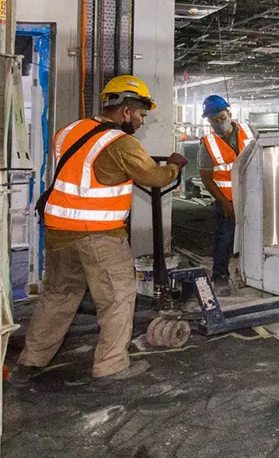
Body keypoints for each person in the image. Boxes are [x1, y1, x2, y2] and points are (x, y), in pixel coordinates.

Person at [12, 76, 187, 382]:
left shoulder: (68, 132)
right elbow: (156, 178)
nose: (142, 121)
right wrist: (173, 165)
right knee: (118, 297)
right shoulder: (120, 142)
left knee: (58, 296)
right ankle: (111, 366)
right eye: (141, 114)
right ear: (125, 111)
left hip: (57, 232)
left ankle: (31, 360)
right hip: (99, 235)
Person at [197, 95, 255, 296]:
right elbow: (206, 178)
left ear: (229, 114)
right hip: (227, 200)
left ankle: (253, 273)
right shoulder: (208, 144)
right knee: (226, 237)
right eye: (214, 120)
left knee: (255, 235)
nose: (219, 123)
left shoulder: (249, 131)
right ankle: (219, 276)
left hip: (253, 195)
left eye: (222, 117)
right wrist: (225, 203)